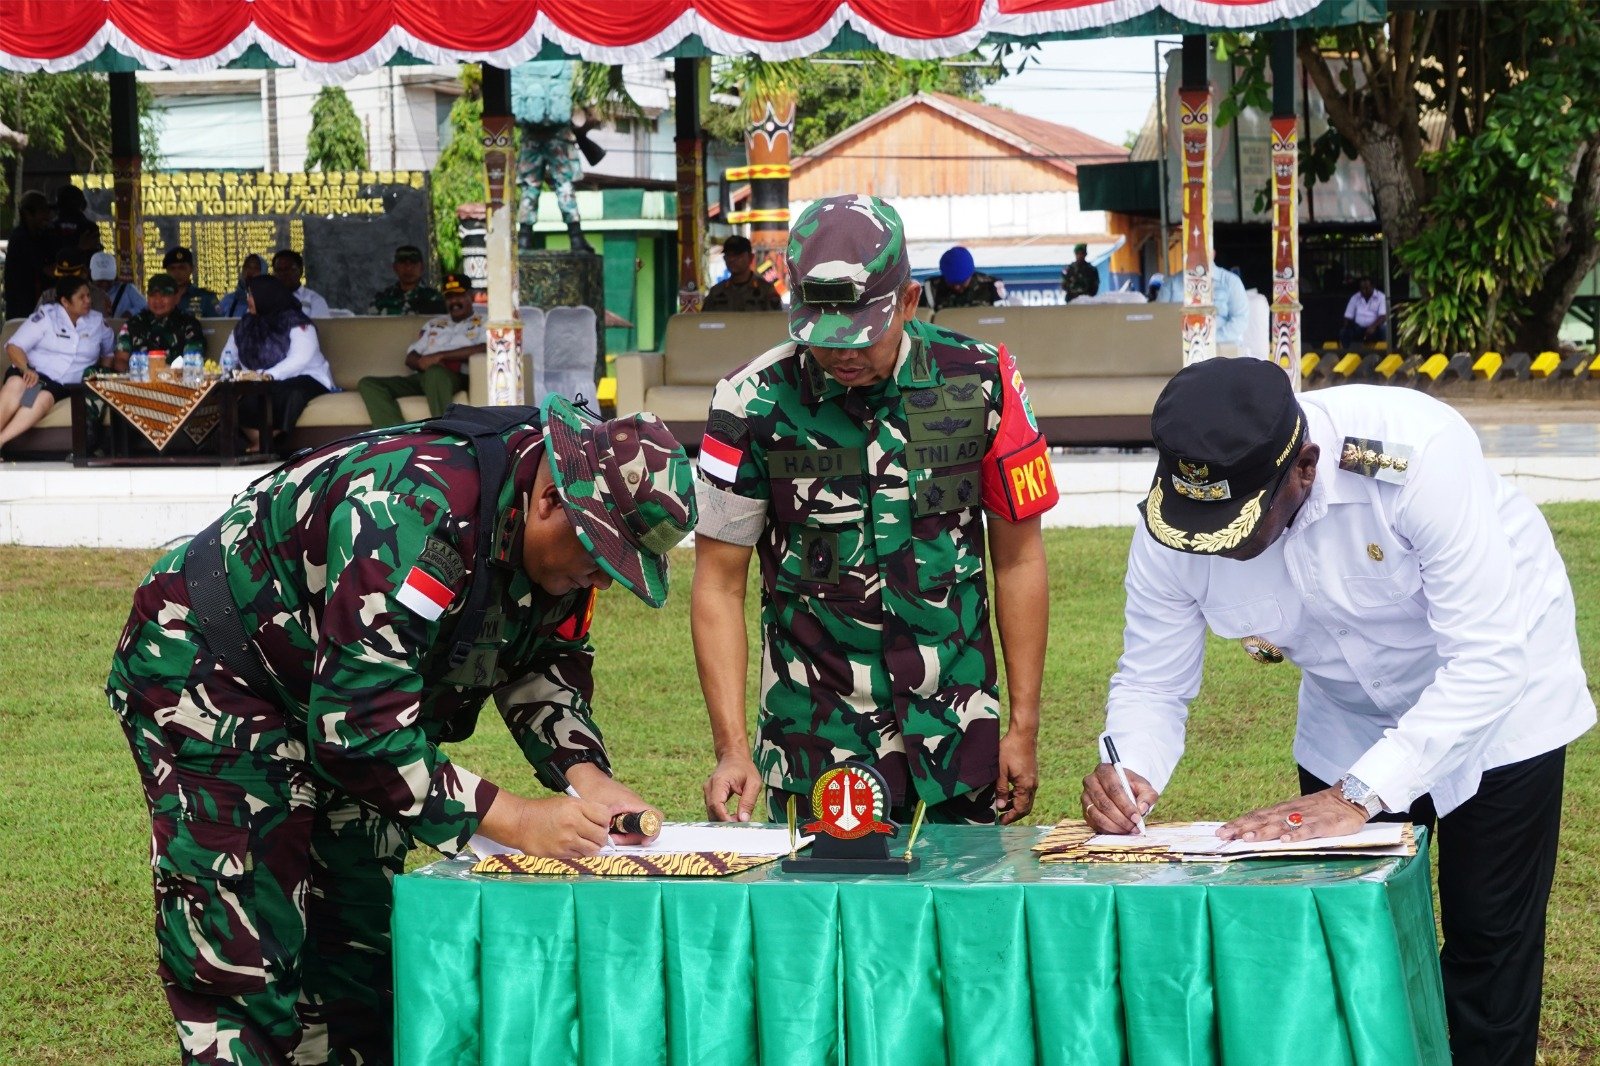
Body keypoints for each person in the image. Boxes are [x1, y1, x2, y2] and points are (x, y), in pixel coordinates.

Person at [107, 392, 695, 1065]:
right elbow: (360, 733)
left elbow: (542, 657)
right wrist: (517, 820)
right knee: (246, 952)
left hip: (346, 691)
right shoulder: (411, 512)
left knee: (357, 942)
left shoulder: (564, 533)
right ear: (550, 502)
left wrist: (587, 776)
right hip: (217, 671)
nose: (602, 582)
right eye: (599, 558)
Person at [1080, 357, 1595, 1066]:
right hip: (1346, 716)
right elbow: (1151, 680)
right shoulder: (1179, 519)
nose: (1216, 546)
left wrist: (1358, 796)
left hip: (1502, 708)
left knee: (1488, 943)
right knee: (1348, 942)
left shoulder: (1416, 453)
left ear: (1305, 467)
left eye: (1238, 528)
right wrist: (1131, 768)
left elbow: (1487, 660)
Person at [693, 194, 1056, 828]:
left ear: (909, 301)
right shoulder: (750, 402)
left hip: (957, 736)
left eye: (861, 335)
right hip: (816, 742)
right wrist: (731, 749)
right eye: (821, 336)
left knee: (965, 894)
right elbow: (718, 585)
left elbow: (1019, 560)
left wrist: (1021, 728)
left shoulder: (982, 381)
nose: (842, 356)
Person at [0, 275, 113, 456]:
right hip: (33, 374)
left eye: (88, 295)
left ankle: (1, 441)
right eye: (81, 297)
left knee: (41, 398)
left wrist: (103, 373)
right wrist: (26, 369)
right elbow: (14, 346)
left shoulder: (97, 322)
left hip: (59, 385)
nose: (88, 301)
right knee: (17, 385)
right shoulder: (47, 316)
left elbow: (109, 353)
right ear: (65, 302)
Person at [221, 275, 335, 454]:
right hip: (260, 381)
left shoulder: (297, 322)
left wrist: (269, 375)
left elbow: (300, 358)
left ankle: (264, 443)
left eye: (251, 295)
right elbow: (228, 355)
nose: (248, 300)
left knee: (290, 393)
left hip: (305, 377)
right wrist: (231, 375)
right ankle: (262, 441)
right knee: (239, 397)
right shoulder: (245, 324)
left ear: (266, 296)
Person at [357, 272, 484, 427]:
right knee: (368, 384)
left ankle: (446, 432)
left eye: (459, 296)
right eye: (449, 297)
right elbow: (411, 357)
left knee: (435, 373)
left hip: (456, 377)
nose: (454, 302)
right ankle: (398, 435)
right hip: (424, 376)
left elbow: (484, 348)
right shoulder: (433, 324)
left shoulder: (483, 322)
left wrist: (440, 356)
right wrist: (420, 362)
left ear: (471, 296)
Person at [115, 274, 203, 373]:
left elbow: (192, 361)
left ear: (177, 297)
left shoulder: (189, 324)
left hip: (177, 380)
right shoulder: (133, 324)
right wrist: (136, 374)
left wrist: (163, 373)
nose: (158, 300)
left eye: (164, 295)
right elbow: (120, 360)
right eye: (153, 295)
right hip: (140, 380)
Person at [1157, 261, 1250, 347]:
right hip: (1180, 347)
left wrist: (1210, 339)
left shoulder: (1231, 281)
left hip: (1221, 346)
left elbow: (1241, 319)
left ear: (1213, 253)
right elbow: (1159, 319)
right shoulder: (1170, 284)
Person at [4, 190, 55, 318]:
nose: (48, 216)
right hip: (23, 309)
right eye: (43, 211)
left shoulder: (40, 236)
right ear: (28, 214)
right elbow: (47, 270)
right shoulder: (20, 238)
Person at [702, 234, 782, 313]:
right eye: (728, 255)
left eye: (737, 255)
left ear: (750, 257)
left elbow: (775, 319)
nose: (731, 259)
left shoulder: (766, 291)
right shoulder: (716, 292)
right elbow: (704, 319)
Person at [368, 244, 446, 315]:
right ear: (395, 268)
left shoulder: (435, 299)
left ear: (422, 268)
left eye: (413, 263)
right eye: (403, 263)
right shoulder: (381, 300)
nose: (408, 268)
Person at [922, 245, 1005, 310]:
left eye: (962, 283)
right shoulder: (931, 289)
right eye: (951, 283)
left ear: (971, 275)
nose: (957, 287)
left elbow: (1003, 318)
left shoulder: (991, 286)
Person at [271, 247, 331, 318]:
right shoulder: (268, 299)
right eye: (278, 270)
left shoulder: (315, 300)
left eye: (287, 269)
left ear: (301, 271)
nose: (283, 274)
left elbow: (319, 325)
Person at [162, 247, 220, 318]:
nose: (177, 273)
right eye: (172, 268)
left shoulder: (206, 298)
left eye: (182, 268)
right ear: (167, 271)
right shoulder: (159, 297)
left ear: (191, 269)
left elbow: (218, 323)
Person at [91, 251, 147, 319]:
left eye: (108, 280)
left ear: (115, 276)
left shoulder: (128, 289)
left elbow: (145, 306)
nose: (104, 283)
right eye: (100, 280)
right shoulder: (89, 294)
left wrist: (131, 312)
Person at [1339, 275, 1388, 347]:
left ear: (1372, 287)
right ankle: (1346, 351)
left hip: (1375, 328)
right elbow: (1348, 316)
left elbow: (1383, 316)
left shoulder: (1381, 297)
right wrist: (1346, 327)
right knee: (1344, 331)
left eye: (1366, 288)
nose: (1364, 291)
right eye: (1362, 288)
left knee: (1383, 329)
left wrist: (1373, 327)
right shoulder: (1355, 297)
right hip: (1359, 328)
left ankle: (1384, 350)